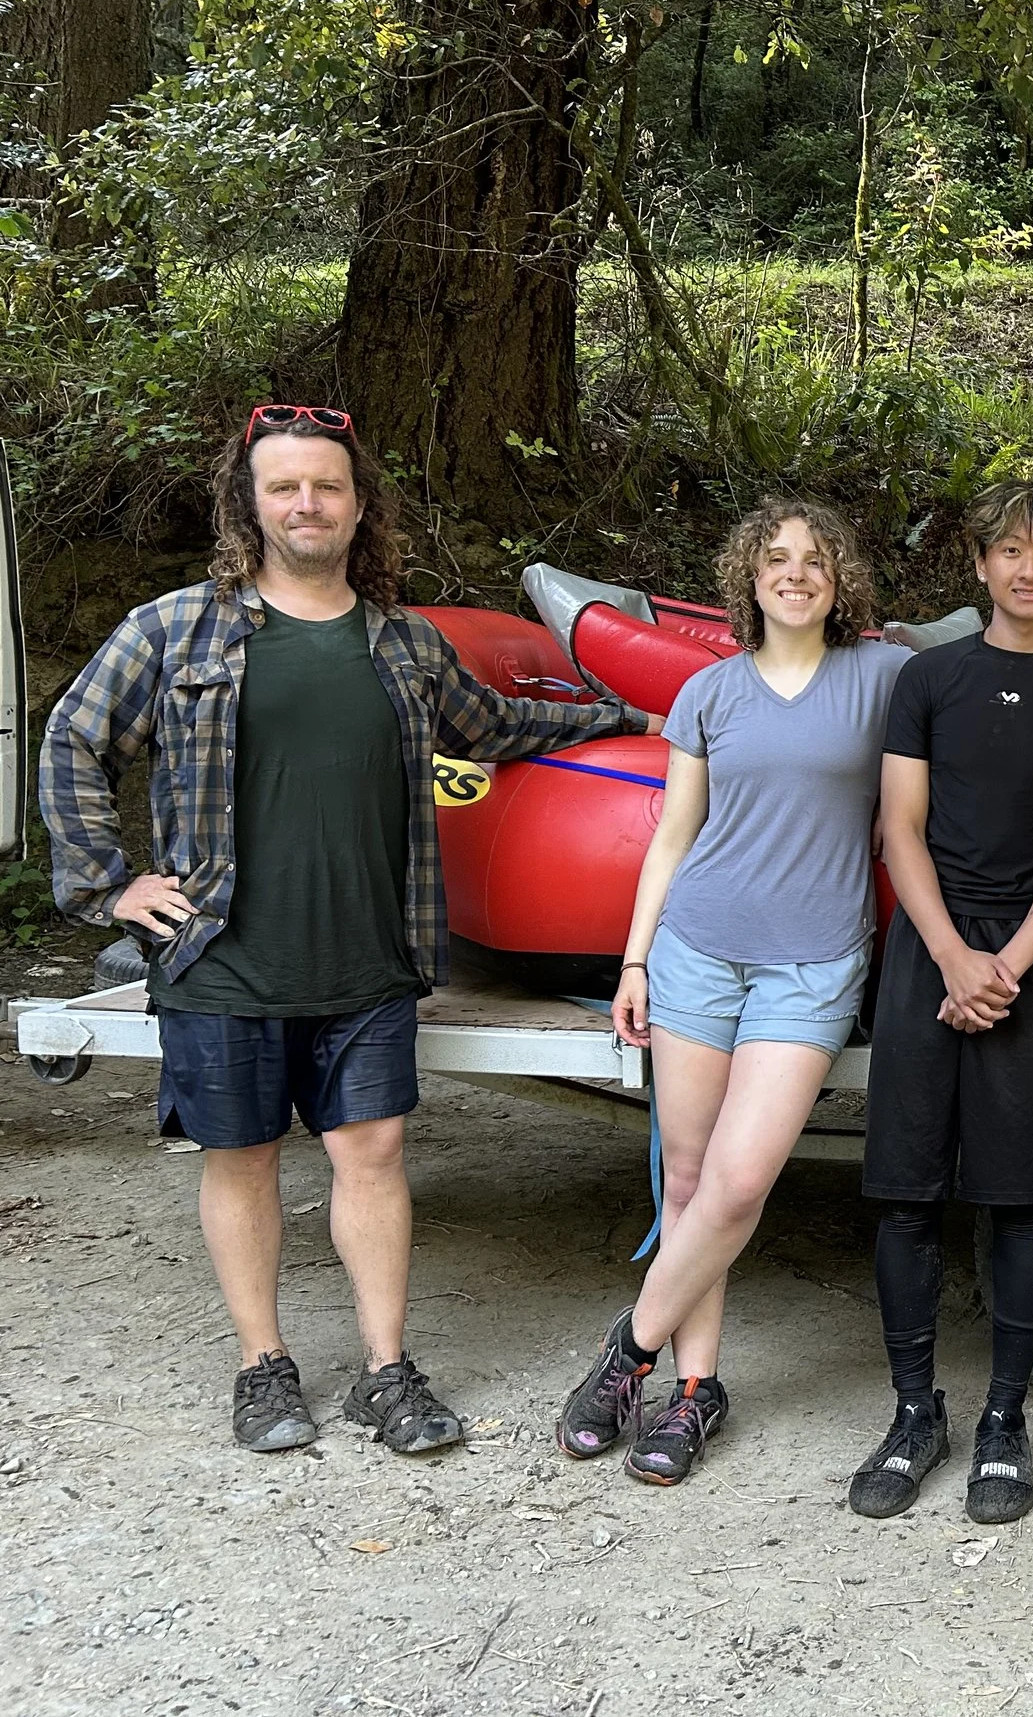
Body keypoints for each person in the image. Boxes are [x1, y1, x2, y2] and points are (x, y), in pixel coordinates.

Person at [40, 406, 641, 1455]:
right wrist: (110, 886)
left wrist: (630, 719)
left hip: (370, 948)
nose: (306, 504)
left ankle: (383, 1371)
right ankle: (263, 1368)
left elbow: (496, 727)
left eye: (326, 486)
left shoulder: (404, 643)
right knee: (242, 1155)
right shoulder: (175, 630)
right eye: (284, 488)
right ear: (250, 504)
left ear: (359, 507)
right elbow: (73, 738)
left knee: (373, 1151)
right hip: (221, 950)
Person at [556, 503, 909, 1484]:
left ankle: (626, 1349)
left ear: (840, 579)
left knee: (741, 1182)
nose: (794, 573)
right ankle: (692, 1388)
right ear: (747, 578)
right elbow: (673, 836)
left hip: (813, 964)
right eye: (775, 559)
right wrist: (633, 960)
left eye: (813, 559)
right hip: (696, 953)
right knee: (688, 1175)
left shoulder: (884, 677)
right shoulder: (709, 692)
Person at [846, 479, 1033, 1525]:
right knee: (907, 1193)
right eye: (1010, 550)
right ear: (978, 565)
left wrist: (1001, 964)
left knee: (1017, 1195)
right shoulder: (929, 678)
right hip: (928, 953)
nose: (1028, 567)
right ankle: (914, 1412)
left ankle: (1004, 1420)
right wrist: (951, 957)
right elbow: (901, 829)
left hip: (1030, 958)